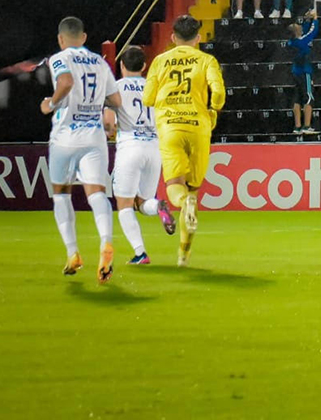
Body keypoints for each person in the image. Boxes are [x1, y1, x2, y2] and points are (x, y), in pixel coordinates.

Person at [41, 16, 124, 281]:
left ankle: (72, 252)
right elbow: (116, 100)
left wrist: (50, 104)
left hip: (65, 137)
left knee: (61, 195)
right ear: (84, 37)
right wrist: (98, 105)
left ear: (60, 39)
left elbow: (65, 83)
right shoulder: (100, 62)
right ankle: (106, 242)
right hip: (94, 138)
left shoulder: (59, 58)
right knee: (97, 194)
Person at [143, 14, 226, 267]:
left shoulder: (160, 60)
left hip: (170, 127)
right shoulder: (207, 60)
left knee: (175, 185)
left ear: (172, 37)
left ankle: (183, 204)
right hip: (198, 127)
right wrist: (213, 109)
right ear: (198, 38)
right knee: (192, 189)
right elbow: (218, 92)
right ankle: (183, 254)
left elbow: (148, 98)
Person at [109, 45, 175, 266]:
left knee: (124, 204)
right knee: (143, 203)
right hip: (154, 148)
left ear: (121, 65)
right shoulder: (156, 88)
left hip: (130, 147)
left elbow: (108, 124)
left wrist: (109, 131)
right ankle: (158, 207)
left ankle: (140, 253)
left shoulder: (115, 88)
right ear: (145, 66)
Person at [287, 13, 319, 135]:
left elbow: (304, 32)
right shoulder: (302, 42)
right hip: (305, 72)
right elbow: (312, 32)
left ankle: (297, 127)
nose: (299, 25)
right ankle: (307, 125)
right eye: (297, 26)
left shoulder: (292, 42)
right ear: (296, 32)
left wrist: (307, 20)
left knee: (297, 98)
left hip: (295, 72)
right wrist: (315, 20)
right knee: (308, 97)